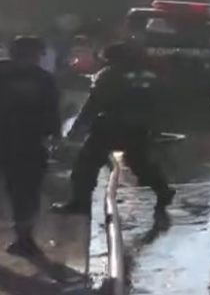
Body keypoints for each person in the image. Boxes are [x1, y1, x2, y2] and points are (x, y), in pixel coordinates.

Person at [54, 42, 175, 215]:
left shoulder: (108, 75)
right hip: (139, 128)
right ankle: (163, 191)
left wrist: (76, 132)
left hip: (110, 127)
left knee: (86, 165)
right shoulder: (148, 75)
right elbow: (161, 102)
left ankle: (79, 203)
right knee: (140, 163)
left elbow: (93, 105)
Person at [0, 36, 60, 256]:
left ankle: (24, 238)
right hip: (30, 143)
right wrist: (55, 137)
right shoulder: (44, 79)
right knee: (26, 191)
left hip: (9, 141)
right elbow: (52, 112)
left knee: (22, 191)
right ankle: (25, 238)